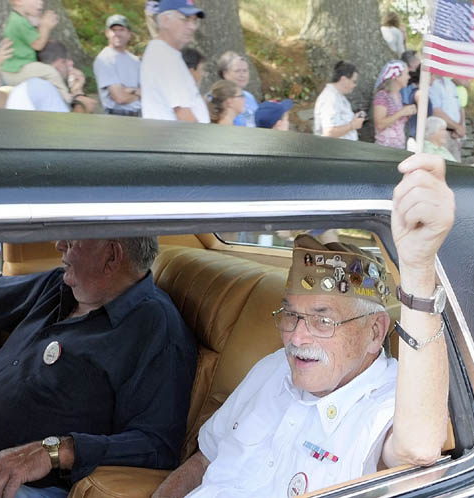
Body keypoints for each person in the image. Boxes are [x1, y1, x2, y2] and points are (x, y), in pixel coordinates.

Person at [152, 152, 453, 497]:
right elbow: (204, 461)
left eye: (322, 320)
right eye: (291, 315)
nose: (296, 336)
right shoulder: (272, 369)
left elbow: (418, 449)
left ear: (375, 332)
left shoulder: (385, 403)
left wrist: (418, 269)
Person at [0, 237, 197, 497]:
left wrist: (55, 451)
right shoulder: (61, 286)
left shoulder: (155, 329)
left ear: (111, 256)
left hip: (22, 485)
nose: (59, 244)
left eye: (73, 239)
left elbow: (157, 446)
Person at [140, 0, 209, 122]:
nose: (192, 26)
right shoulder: (164, 57)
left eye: (194, 20)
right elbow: (184, 117)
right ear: (165, 21)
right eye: (185, 19)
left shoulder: (167, 53)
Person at [0, 0, 73, 105]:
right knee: (50, 72)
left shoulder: (19, 19)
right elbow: (38, 45)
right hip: (17, 70)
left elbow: (34, 22)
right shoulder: (19, 22)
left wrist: (41, 22)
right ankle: (66, 98)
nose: (41, 3)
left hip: (16, 67)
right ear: (18, 1)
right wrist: (45, 27)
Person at [6, 41, 95, 113]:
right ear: (58, 65)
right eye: (65, 61)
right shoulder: (42, 86)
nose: (71, 63)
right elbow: (66, 128)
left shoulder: (33, 84)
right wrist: (78, 94)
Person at [93, 14, 141, 117]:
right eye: (113, 30)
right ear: (107, 33)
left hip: (139, 116)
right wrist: (137, 92)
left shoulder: (135, 61)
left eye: (121, 30)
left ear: (129, 34)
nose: (117, 33)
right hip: (116, 117)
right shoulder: (104, 59)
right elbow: (120, 97)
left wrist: (130, 91)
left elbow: (148, 92)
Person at [313, 61, 364, 140]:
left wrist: (355, 118)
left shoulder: (338, 96)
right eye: (354, 81)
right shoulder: (329, 98)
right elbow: (329, 132)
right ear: (344, 79)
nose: (355, 85)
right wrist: (352, 125)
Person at [372, 60, 417, 149]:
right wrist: (401, 112)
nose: (409, 77)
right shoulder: (382, 95)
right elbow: (379, 125)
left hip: (398, 148)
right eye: (407, 73)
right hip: (384, 149)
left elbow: (394, 121)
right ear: (396, 76)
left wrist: (407, 114)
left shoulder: (398, 95)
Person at [217, 51, 258, 127]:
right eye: (237, 71)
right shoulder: (218, 97)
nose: (242, 75)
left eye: (245, 70)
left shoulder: (250, 97)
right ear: (225, 74)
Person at [430, 74, 465, 161]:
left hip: (454, 134)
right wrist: (457, 127)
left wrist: (459, 127)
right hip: (440, 133)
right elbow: (436, 111)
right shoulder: (432, 84)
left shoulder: (450, 83)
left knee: (457, 167)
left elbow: (460, 108)